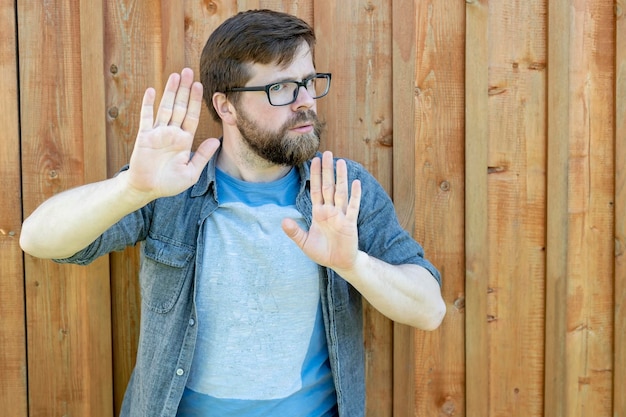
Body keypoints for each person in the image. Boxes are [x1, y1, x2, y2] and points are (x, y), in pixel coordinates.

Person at [20, 9, 445, 417]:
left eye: (309, 81)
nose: (304, 102)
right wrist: (130, 189)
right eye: (280, 88)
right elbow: (38, 239)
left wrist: (355, 265)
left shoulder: (341, 189)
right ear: (226, 107)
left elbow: (429, 310)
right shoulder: (172, 187)